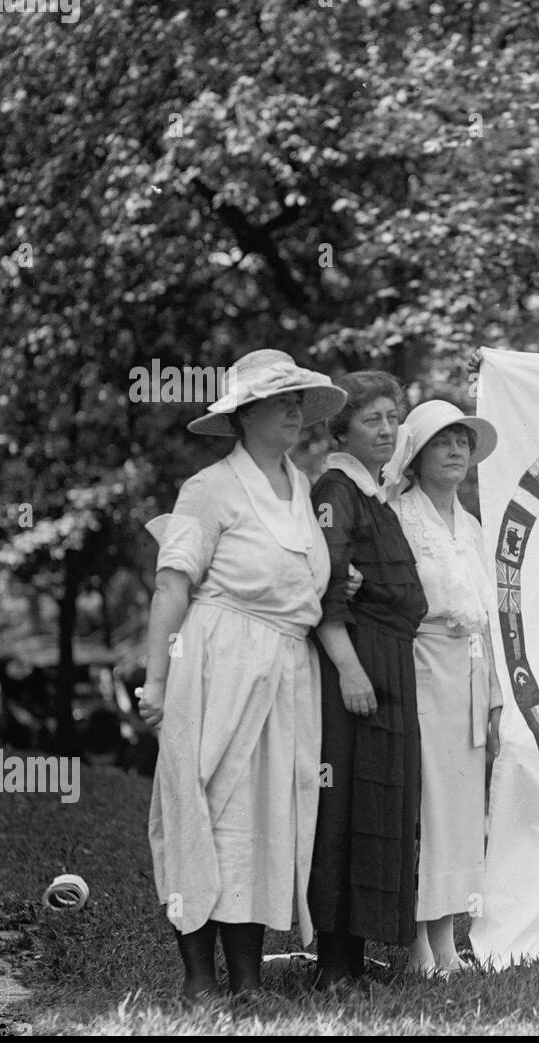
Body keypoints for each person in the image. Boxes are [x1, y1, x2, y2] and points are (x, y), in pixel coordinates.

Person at [139, 349, 346, 1005]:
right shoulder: (209, 489)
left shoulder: (302, 489)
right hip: (215, 664)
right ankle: (201, 983)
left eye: (298, 402)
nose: (294, 412)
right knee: (203, 808)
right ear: (246, 414)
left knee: (262, 819)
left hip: (285, 673)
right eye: (281, 401)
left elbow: (304, 587)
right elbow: (172, 587)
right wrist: (156, 682)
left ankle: (249, 983)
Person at [308, 370, 429, 993]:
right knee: (344, 806)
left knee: (379, 803)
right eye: (372, 420)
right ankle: (331, 965)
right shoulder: (336, 488)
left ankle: (355, 961)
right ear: (342, 429)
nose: (386, 430)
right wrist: (351, 670)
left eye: (392, 418)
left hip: (391, 661)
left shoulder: (374, 492)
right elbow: (324, 589)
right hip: (356, 665)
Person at [383, 400, 502, 974]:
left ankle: (447, 941)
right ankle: (415, 946)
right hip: (421, 669)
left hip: (470, 676)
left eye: (463, 442)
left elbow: (488, 617)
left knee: (458, 810)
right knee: (422, 808)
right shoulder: (399, 518)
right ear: (419, 454)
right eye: (442, 442)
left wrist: (497, 697)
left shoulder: (473, 527)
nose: (456, 452)